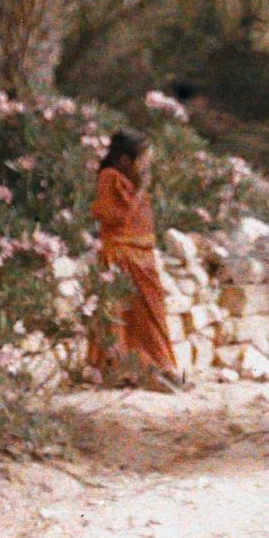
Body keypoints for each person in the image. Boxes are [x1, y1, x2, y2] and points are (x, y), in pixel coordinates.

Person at [86, 128, 184, 393]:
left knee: (151, 315)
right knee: (120, 318)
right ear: (125, 160)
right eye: (143, 161)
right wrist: (140, 189)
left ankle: (161, 367)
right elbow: (116, 216)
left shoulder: (127, 179)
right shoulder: (109, 177)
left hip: (142, 258)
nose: (146, 167)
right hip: (121, 257)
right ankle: (123, 370)